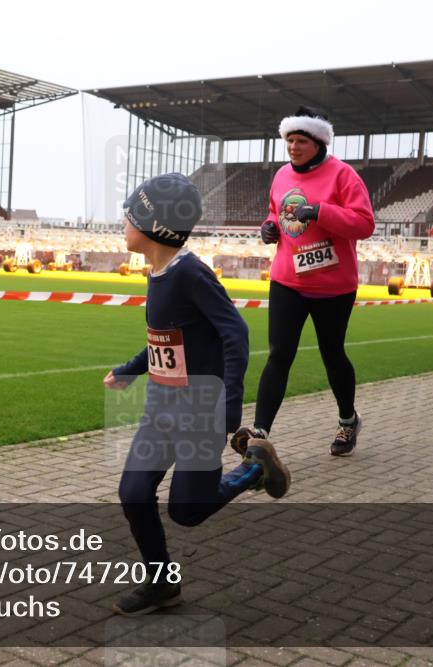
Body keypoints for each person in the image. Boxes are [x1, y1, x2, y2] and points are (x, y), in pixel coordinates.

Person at [105, 173, 291, 616]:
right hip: (161, 409)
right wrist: (132, 370)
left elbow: (236, 334)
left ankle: (252, 469)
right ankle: (162, 585)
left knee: (187, 511)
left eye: (130, 216)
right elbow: (166, 339)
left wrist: (228, 404)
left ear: (154, 226)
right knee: (133, 493)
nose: (123, 224)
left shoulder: (191, 274)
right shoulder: (159, 271)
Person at [232, 107, 375, 459]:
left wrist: (321, 211)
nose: (293, 147)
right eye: (289, 140)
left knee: (332, 354)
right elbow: (274, 211)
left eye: (301, 141)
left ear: (318, 142)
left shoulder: (343, 175)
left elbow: (364, 223)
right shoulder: (281, 175)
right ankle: (260, 433)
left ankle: (347, 420)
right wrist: (267, 227)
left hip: (333, 285)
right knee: (279, 355)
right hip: (287, 280)